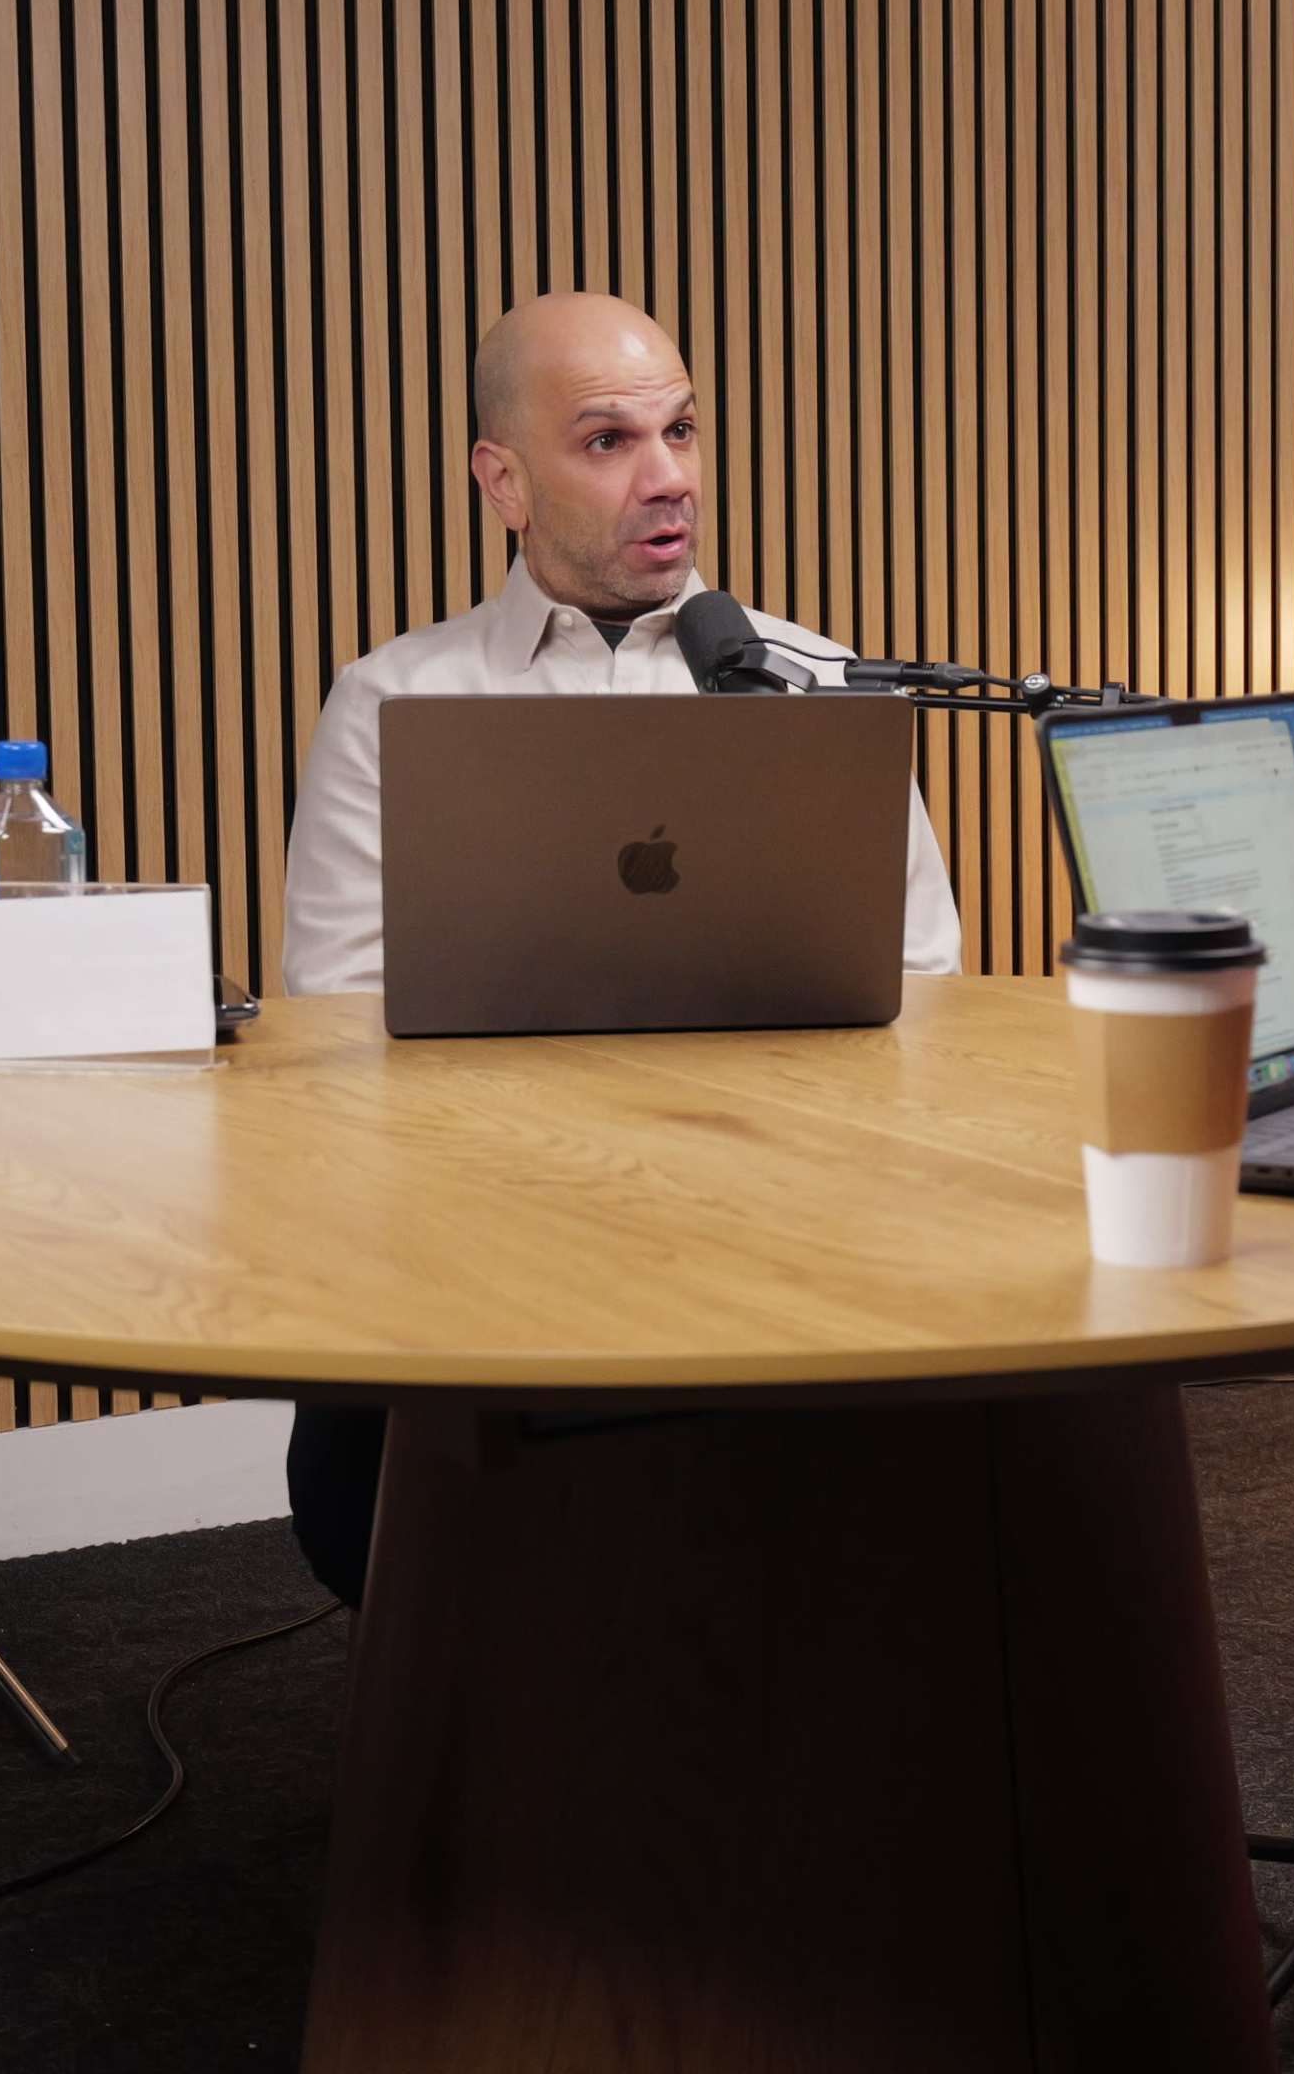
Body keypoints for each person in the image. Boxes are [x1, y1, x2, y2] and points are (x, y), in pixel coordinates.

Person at [274, 290, 966, 1605]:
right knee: (371, 1495)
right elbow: (336, 1022)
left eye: (683, 431)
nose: (670, 479)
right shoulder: (392, 706)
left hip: (784, 1252)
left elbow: (926, 989)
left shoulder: (816, 690)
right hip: (482, 1260)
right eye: (609, 442)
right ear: (505, 480)